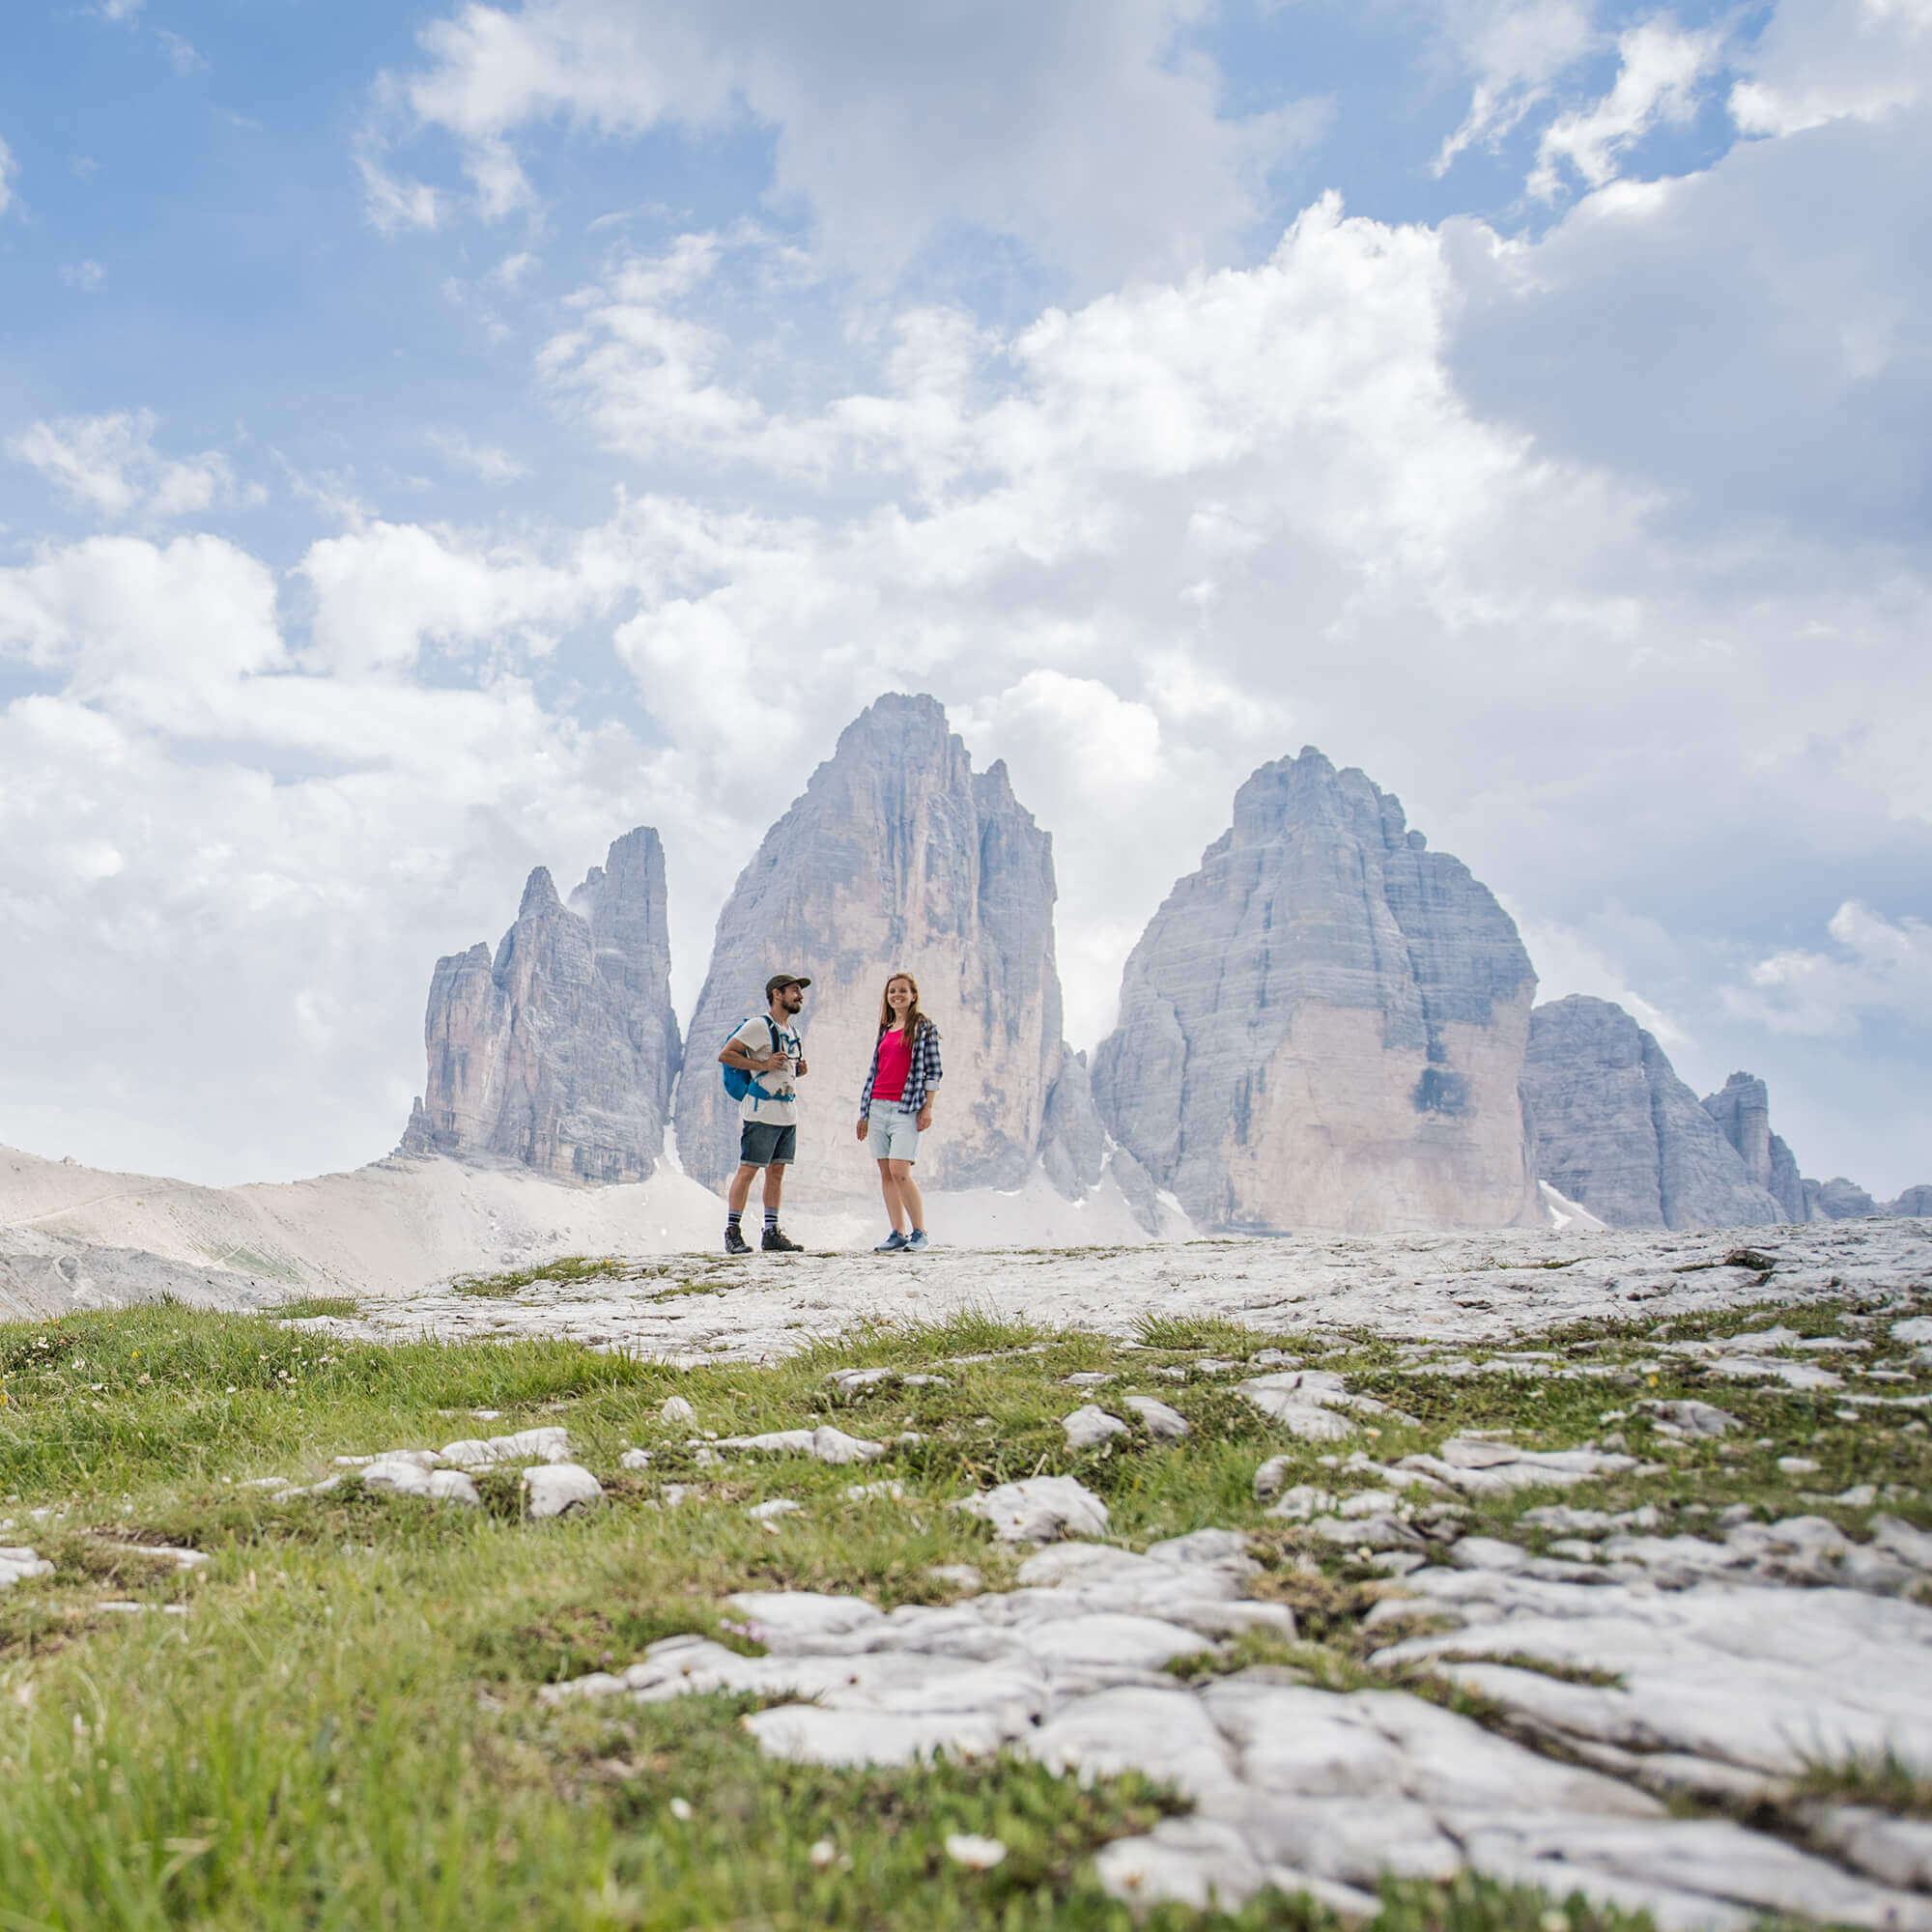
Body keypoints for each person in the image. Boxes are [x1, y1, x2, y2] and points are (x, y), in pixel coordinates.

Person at [718, 972, 810, 1255]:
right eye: (795, 990)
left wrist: (798, 1070)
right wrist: (763, 1064)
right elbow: (726, 1054)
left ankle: (771, 1232)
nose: (800, 996)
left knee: (777, 1172)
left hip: (786, 1112)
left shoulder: (793, 1032)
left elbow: (783, 1068)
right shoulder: (759, 1026)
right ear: (777, 993)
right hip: (761, 1112)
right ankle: (732, 1231)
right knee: (748, 1170)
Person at [855, 970, 943, 1251]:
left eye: (903, 990)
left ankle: (921, 1232)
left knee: (900, 1170)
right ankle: (897, 1232)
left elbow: (933, 1071)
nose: (897, 995)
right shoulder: (886, 1029)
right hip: (877, 1106)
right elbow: (874, 1072)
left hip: (906, 1108)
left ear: (913, 995)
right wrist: (864, 1113)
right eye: (892, 991)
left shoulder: (923, 1028)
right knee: (886, 1173)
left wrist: (927, 1107)